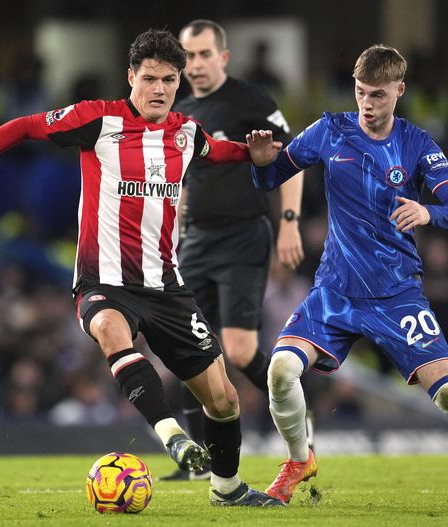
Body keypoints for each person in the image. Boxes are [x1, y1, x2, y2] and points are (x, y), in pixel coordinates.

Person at [0, 29, 284, 507]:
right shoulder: (98, 120)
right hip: (104, 280)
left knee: (224, 400)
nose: (160, 89)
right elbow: (23, 127)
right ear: (131, 77)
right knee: (111, 330)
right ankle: (172, 436)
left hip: (167, 285)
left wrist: (250, 153)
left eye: (170, 80)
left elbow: (215, 152)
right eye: (151, 78)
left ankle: (227, 489)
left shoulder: (185, 131)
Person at [245, 44, 448, 509]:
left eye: (378, 95)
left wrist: (428, 211)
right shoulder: (330, 130)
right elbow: (269, 179)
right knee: (281, 370)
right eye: (361, 92)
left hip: (397, 294)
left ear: (399, 91)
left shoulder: (417, 144)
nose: (367, 103)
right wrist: (262, 162)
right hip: (336, 290)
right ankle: (299, 459)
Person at [160, 19, 306, 481]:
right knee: (189, 351)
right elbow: (178, 181)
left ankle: (301, 431)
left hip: (244, 235)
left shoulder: (250, 101)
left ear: (222, 57)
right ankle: (198, 466)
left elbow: (292, 160)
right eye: (190, 57)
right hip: (195, 241)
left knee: (240, 352)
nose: (197, 64)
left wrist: (288, 223)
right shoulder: (178, 108)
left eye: (205, 54)